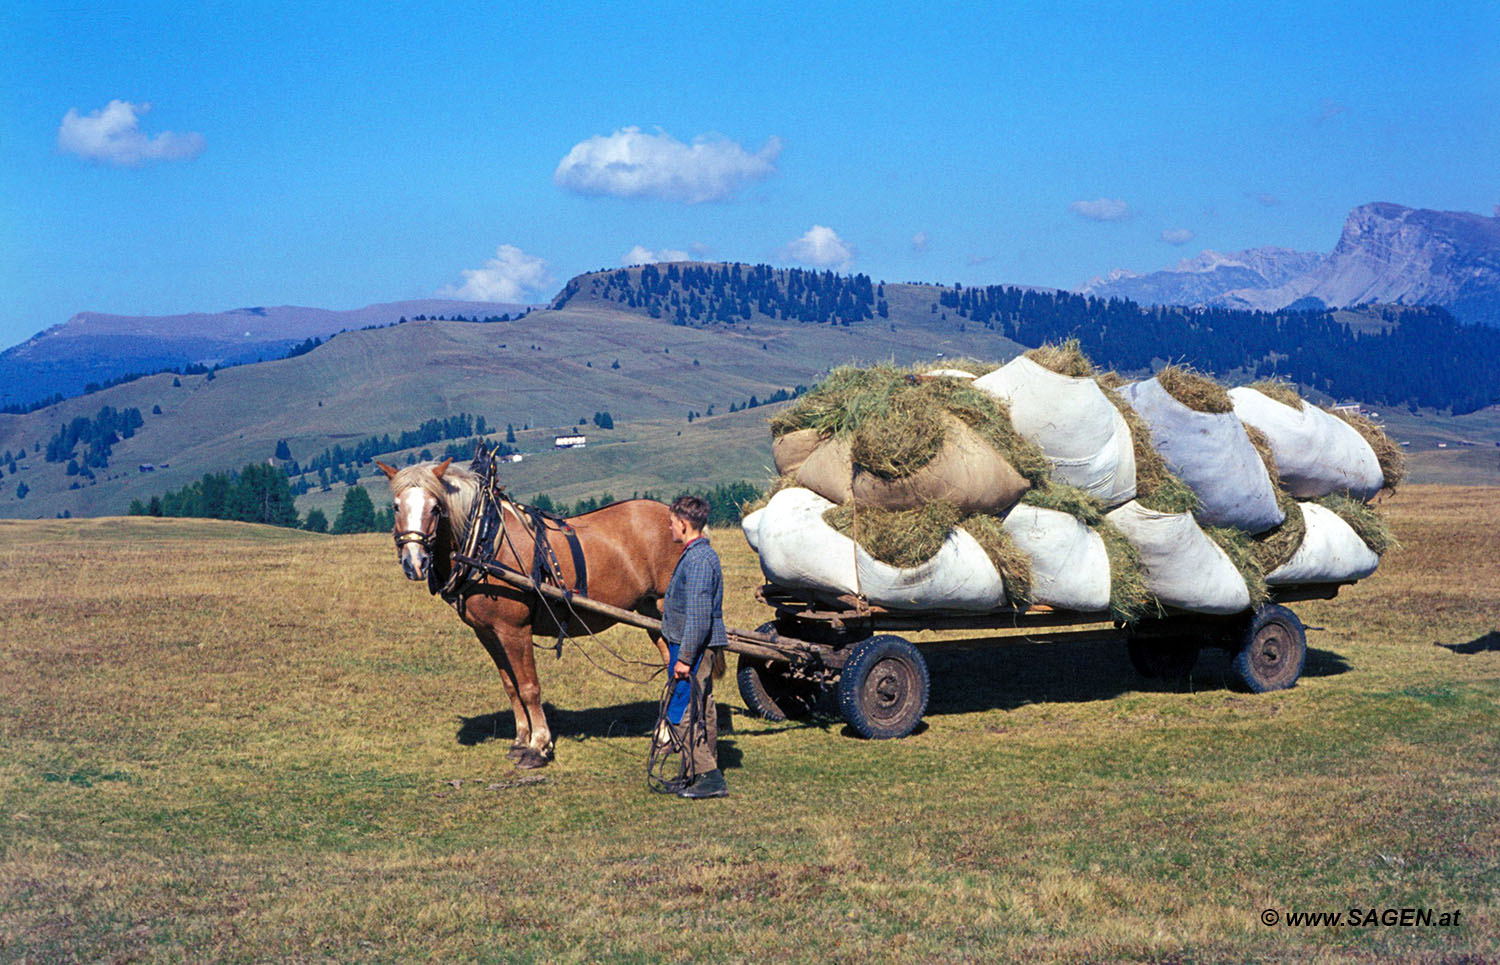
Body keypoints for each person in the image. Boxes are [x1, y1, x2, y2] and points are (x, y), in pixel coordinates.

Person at [661, 494, 729, 799]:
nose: (670, 528)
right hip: (692, 644)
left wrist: (685, 657)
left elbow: (699, 616)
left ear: (685, 524)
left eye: (673, 523)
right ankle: (694, 773)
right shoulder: (697, 555)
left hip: (692, 647)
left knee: (683, 710)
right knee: (702, 708)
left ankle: (709, 777)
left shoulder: (699, 560)